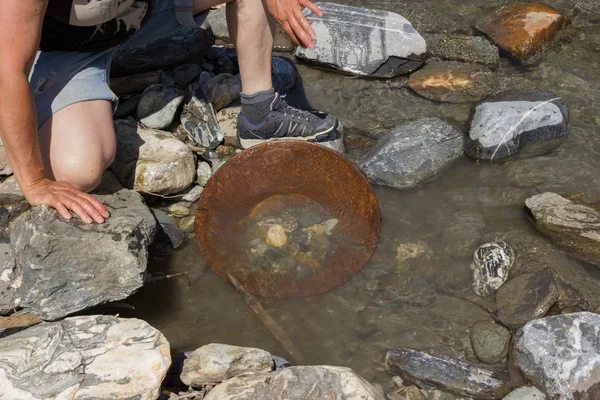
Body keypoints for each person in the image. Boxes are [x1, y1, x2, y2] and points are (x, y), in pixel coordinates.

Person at [0, 0, 337, 225]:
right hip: (62, 52)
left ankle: (261, 114)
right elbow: (7, 69)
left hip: (136, 16)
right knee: (79, 171)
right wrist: (34, 182)